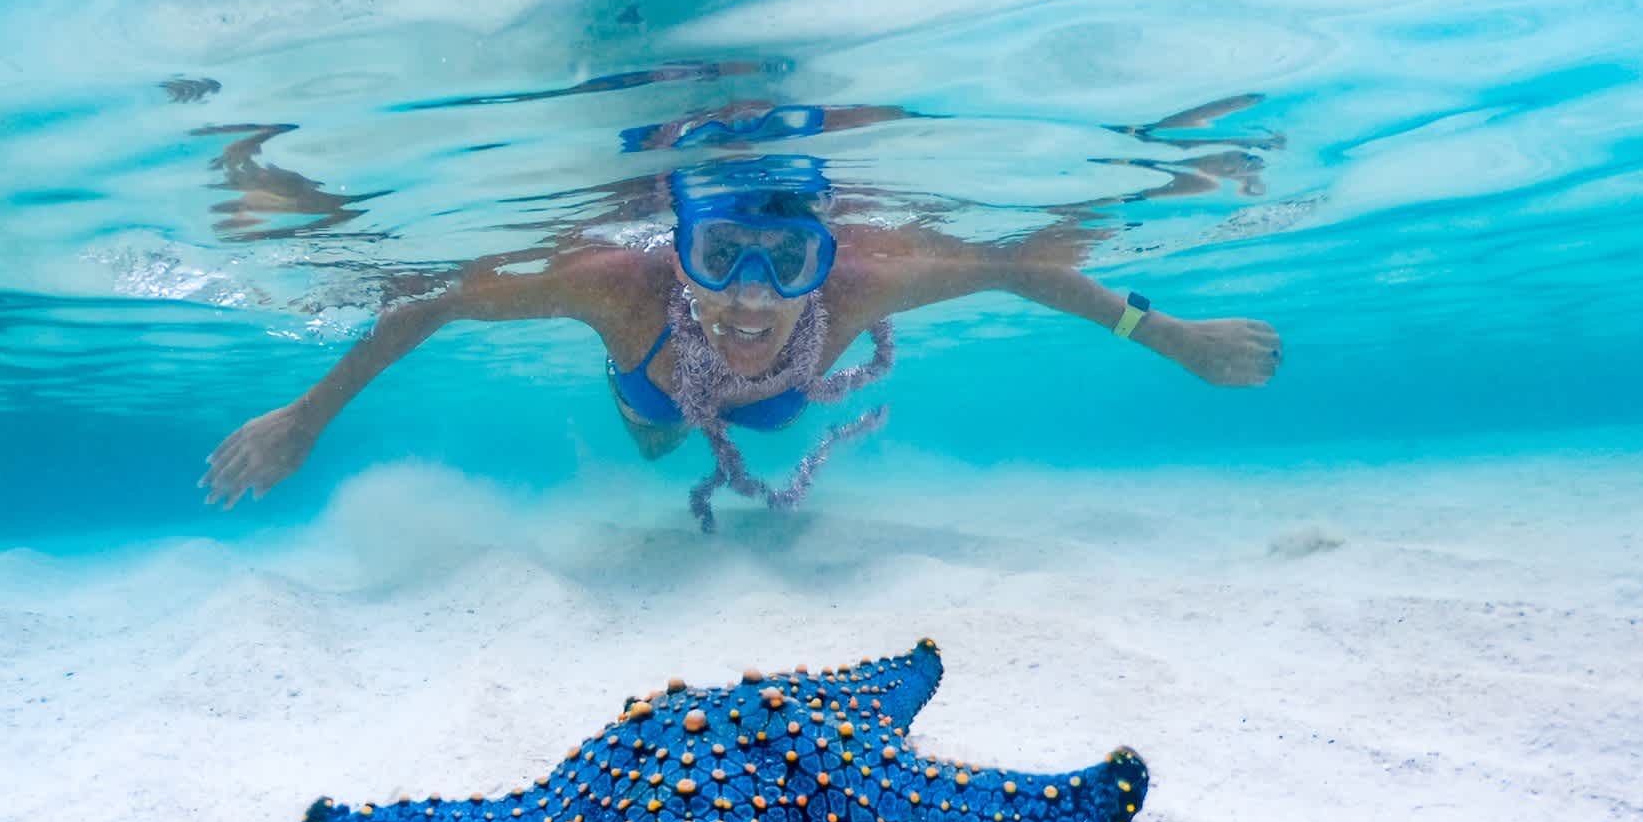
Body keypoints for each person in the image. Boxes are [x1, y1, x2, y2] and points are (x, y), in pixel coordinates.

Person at [201, 110, 1283, 528]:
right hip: (650, 391)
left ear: (826, 257)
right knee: (655, 436)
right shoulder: (614, 288)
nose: (752, 296)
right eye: (719, 257)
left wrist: (1171, 336)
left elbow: (1017, 264)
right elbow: (428, 297)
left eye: (788, 259)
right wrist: (306, 414)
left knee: (755, 419)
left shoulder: (862, 280)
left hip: (780, 410)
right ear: (677, 250)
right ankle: (653, 432)